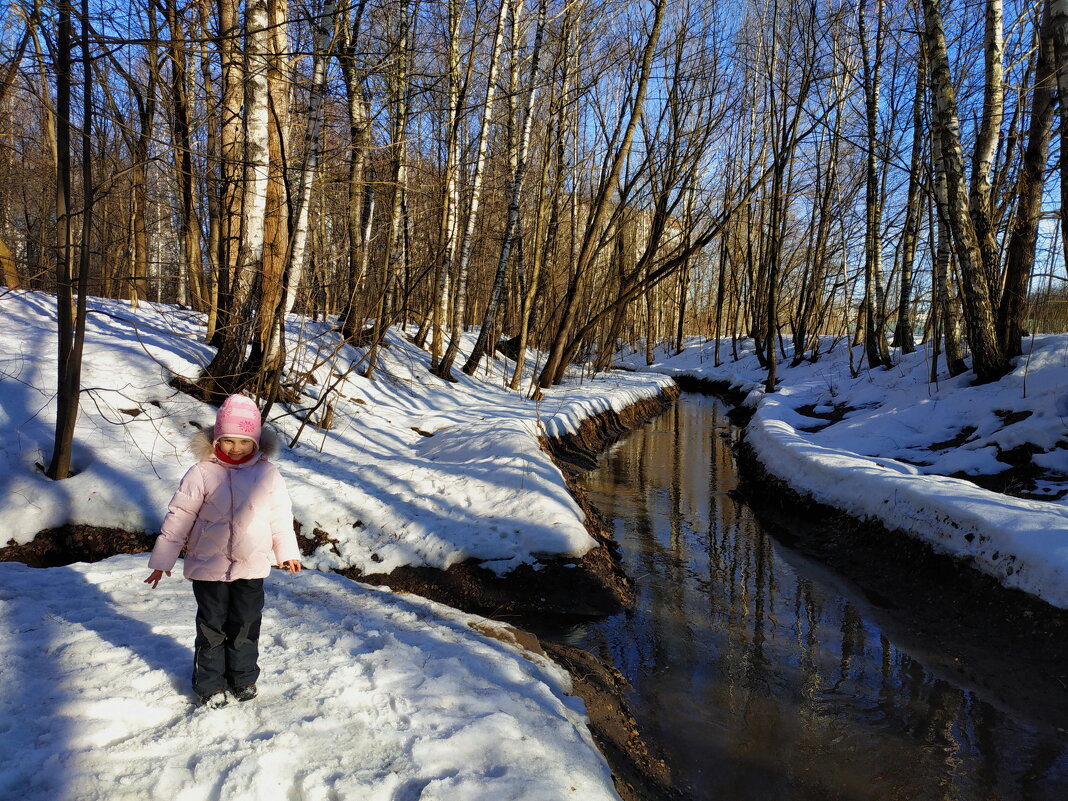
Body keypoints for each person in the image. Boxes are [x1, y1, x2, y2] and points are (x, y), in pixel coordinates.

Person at [145, 393, 302, 708]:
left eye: (245, 441)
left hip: (252, 564)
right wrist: (163, 558)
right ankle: (210, 684)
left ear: (256, 442)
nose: (236, 448)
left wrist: (286, 551)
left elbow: (280, 515)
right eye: (229, 440)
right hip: (209, 565)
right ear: (217, 439)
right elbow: (179, 516)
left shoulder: (267, 473)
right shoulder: (202, 473)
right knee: (212, 625)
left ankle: (243, 678)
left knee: (246, 623)